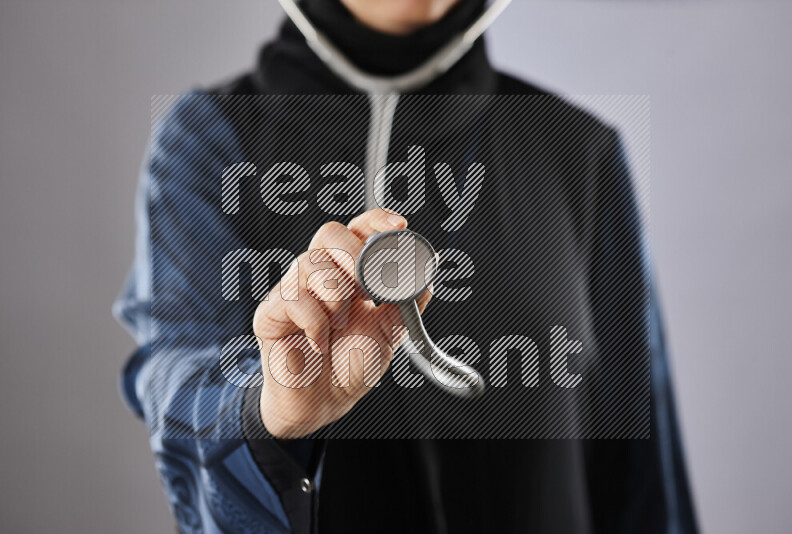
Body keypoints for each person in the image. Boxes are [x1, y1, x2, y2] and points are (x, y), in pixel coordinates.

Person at [115, 0, 698, 532]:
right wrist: (266, 410)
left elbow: (643, 481)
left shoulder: (578, 151)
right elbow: (177, 384)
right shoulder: (208, 140)